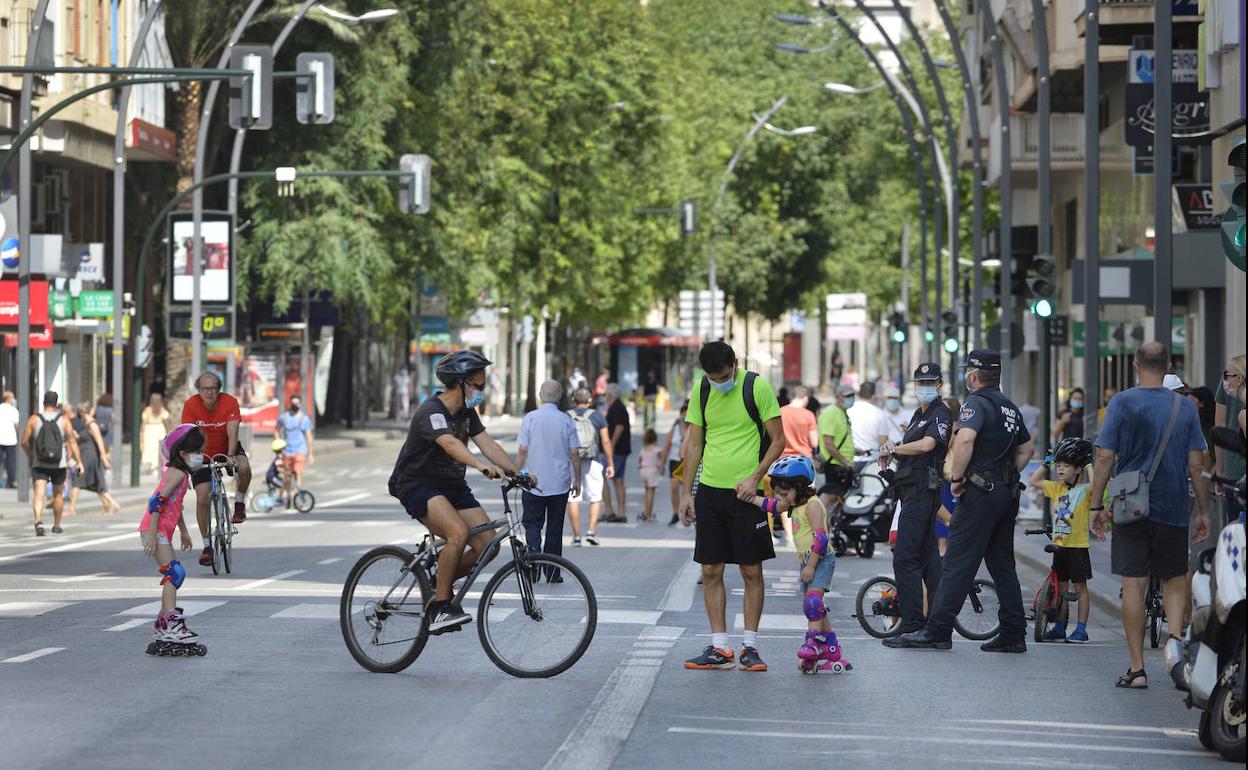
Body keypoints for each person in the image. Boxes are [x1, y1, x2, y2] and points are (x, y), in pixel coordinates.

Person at [891, 349, 1035, 653]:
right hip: (1005, 493)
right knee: (1001, 563)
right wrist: (1005, 475)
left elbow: (966, 439)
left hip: (980, 493)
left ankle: (938, 631)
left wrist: (957, 479)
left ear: (973, 375)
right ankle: (1013, 632)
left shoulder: (976, 404)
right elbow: (1028, 449)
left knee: (957, 561)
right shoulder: (1009, 407)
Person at [1089, 342, 1211, 689]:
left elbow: (1104, 458)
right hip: (1172, 504)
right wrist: (1203, 510)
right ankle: (1175, 657)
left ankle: (1138, 668)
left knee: (1133, 584)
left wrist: (1097, 505)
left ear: (1137, 366)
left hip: (1130, 506)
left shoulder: (1122, 402)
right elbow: (1197, 463)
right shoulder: (1184, 408)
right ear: (1169, 366)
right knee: (1174, 579)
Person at [388, 350, 525, 633]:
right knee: (457, 533)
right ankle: (440, 607)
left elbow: (489, 444)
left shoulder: (466, 413)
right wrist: (480, 466)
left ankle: (441, 578)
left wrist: (517, 473)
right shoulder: (431, 412)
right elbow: (450, 444)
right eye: (480, 386)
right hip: (418, 484)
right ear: (461, 383)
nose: (483, 392)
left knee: (488, 545)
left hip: (452, 485)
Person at [681, 341, 784, 672]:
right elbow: (694, 443)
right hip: (710, 492)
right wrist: (687, 492)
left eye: (723, 375)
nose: (718, 381)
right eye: (711, 376)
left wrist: (755, 477)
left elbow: (779, 439)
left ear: (735, 364)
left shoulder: (757, 387)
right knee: (710, 570)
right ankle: (719, 646)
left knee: (751, 571)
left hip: (746, 495)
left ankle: (750, 646)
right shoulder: (702, 390)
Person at [753, 455, 850, 673]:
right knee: (815, 607)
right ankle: (831, 648)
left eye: (786, 493)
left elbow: (822, 539)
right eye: (780, 494)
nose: (783, 498)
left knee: (813, 604)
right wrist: (750, 498)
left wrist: (810, 567)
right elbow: (770, 506)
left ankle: (813, 643)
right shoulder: (795, 503)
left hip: (820, 558)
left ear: (799, 486)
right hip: (809, 559)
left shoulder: (813, 506)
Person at [879, 363, 953, 644]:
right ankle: (937, 630)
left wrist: (894, 447)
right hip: (912, 490)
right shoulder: (918, 414)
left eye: (929, 382)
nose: (923, 387)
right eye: (919, 382)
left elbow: (927, 446)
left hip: (923, 492)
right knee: (928, 562)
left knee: (905, 558)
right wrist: (892, 454)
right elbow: (913, 451)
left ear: (939, 385)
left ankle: (912, 625)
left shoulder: (941, 413)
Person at [139, 424, 206, 653]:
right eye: (196, 452)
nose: (199, 456)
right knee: (173, 573)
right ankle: (169, 624)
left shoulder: (182, 475)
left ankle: (163, 623)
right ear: (182, 454)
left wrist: (184, 531)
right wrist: (151, 537)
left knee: (173, 572)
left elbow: (174, 506)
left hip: (160, 530)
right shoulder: (177, 474)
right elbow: (156, 503)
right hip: (154, 528)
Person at [1027, 437, 1096, 643]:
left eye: (1065, 466)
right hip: (1060, 547)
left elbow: (1096, 483)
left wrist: (1089, 463)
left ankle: (1081, 629)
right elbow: (1034, 481)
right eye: (1059, 465)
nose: (1060, 469)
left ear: (1077, 469)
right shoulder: (1058, 489)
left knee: (1080, 589)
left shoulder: (1085, 491)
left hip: (1077, 547)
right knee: (1062, 589)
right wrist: (1048, 459)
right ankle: (1059, 626)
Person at [181, 371, 253, 566]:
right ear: (199, 390)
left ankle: (239, 503)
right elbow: (187, 435)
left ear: (219, 389)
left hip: (226, 447)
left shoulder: (229, 402)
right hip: (201, 453)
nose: (210, 392)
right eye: (205, 389)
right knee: (202, 496)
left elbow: (233, 431)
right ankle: (206, 546)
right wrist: (187, 461)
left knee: (244, 467)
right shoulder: (191, 405)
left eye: (213, 388)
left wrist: (230, 457)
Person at [516, 380, 581, 582]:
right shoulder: (566, 420)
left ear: (539, 395)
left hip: (532, 484)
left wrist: (514, 472)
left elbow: (522, 450)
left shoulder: (530, 418)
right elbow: (575, 453)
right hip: (559, 483)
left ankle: (532, 565)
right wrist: (577, 479)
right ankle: (553, 573)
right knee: (554, 528)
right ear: (560, 396)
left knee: (532, 524)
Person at [19, 391, 80, 536]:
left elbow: (24, 441)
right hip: (59, 463)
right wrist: (79, 461)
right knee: (58, 494)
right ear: (57, 404)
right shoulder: (64, 420)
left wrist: (31, 455)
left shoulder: (34, 419)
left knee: (39, 493)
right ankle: (57, 525)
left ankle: (38, 521)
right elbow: (72, 442)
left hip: (39, 462)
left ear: (43, 403)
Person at [567, 387, 614, 545]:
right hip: (593, 460)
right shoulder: (597, 416)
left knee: (573, 497)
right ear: (590, 401)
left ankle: (576, 536)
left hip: (572, 460)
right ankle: (591, 531)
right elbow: (606, 441)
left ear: (573, 400)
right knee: (595, 497)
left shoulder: (566, 416)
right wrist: (610, 463)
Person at [68, 403, 120, 516]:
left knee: (77, 479)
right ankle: (111, 503)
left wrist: (103, 456)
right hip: (86, 455)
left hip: (89, 456)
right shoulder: (86, 424)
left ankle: (72, 509)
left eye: (80, 413)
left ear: (83, 413)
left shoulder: (92, 424)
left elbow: (99, 440)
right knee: (96, 482)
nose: (79, 416)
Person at [817, 385, 856, 514]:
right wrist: (846, 462)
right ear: (838, 397)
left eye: (852, 395)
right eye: (847, 396)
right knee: (831, 496)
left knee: (840, 497)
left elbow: (841, 439)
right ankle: (819, 525)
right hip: (835, 464)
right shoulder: (831, 413)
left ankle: (833, 526)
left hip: (842, 464)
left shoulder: (842, 413)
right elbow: (829, 444)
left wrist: (856, 450)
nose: (851, 399)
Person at [276, 395, 315, 504]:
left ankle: (295, 496)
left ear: (300, 404)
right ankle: (287, 495)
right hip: (287, 451)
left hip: (300, 450)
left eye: (297, 403)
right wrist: (278, 447)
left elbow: (309, 437)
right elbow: (276, 430)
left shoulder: (304, 419)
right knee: (287, 476)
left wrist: (311, 454)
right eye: (293, 403)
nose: (295, 405)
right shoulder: (284, 417)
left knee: (298, 473)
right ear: (290, 404)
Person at [602, 383, 632, 523]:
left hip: (617, 450)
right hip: (621, 449)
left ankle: (610, 511)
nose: (605, 396)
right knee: (618, 480)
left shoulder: (617, 407)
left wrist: (611, 445)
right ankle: (620, 512)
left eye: (606, 394)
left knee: (603, 478)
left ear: (610, 395)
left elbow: (619, 427)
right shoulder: (617, 407)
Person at [662, 401, 689, 526]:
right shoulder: (675, 428)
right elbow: (667, 445)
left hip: (688, 462)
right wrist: (662, 463)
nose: (684, 417)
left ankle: (687, 512)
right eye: (682, 414)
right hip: (674, 461)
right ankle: (675, 513)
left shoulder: (693, 428)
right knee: (674, 488)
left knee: (686, 488)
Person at [847, 382, 887, 468]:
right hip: (871, 461)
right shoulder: (879, 413)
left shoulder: (847, 410)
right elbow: (883, 441)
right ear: (873, 396)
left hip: (849, 459)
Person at [139, 392, 171, 478]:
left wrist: (141, 432)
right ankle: (157, 468)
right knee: (159, 449)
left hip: (149, 430)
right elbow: (166, 422)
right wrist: (168, 432)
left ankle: (153, 468)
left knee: (150, 449)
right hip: (160, 429)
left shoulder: (147, 410)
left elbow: (144, 423)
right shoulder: (162, 410)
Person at [639, 428, 663, 522]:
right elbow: (661, 460)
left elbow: (640, 460)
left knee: (646, 492)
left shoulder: (643, 450)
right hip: (652, 471)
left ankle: (646, 512)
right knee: (651, 494)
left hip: (643, 470)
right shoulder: (657, 450)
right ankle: (649, 515)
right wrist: (661, 468)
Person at [0, 390, 19, 488]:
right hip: (10, 439)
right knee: (10, 462)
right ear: (9, 399)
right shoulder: (14, 410)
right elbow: (17, 425)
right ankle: (10, 482)